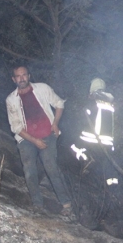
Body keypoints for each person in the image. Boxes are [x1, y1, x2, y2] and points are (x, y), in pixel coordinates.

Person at [5, 65, 73, 216]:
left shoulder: (42, 88)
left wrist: (55, 123)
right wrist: (35, 141)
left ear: (29, 75)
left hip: (48, 135)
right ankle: (37, 205)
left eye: (24, 75)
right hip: (26, 139)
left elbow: (59, 103)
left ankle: (67, 205)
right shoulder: (11, 99)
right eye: (18, 76)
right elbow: (15, 127)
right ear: (13, 79)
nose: (21, 78)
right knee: (29, 170)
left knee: (51, 167)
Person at [74, 78, 118, 186]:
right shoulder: (110, 103)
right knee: (106, 166)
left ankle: (87, 162)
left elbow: (86, 117)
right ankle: (110, 188)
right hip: (107, 142)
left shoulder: (93, 101)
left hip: (92, 139)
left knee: (74, 147)